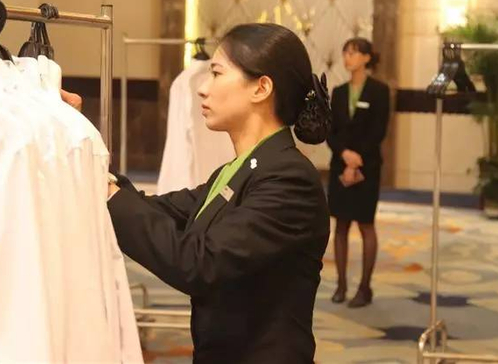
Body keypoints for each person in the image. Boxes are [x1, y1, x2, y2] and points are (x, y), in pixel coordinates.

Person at [106, 24, 331, 363]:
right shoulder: (238, 170)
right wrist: (90, 157)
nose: (203, 88)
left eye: (216, 73)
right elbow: (158, 210)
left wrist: (110, 194)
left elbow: (199, 263)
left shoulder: (289, 179)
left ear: (261, 88)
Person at [326, 37, 389, 308]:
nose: (347, 58)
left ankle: (364, 288)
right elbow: (330, 131)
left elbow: (379, 131)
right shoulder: (338, 92)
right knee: (340, 226)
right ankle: (341, 285)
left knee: (365, 225)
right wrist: (344, 155)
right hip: (340, 166)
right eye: (345, 53)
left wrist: (356, 159)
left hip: (367, 166)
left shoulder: (379, 91)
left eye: (352, 53)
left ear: (366, 57)